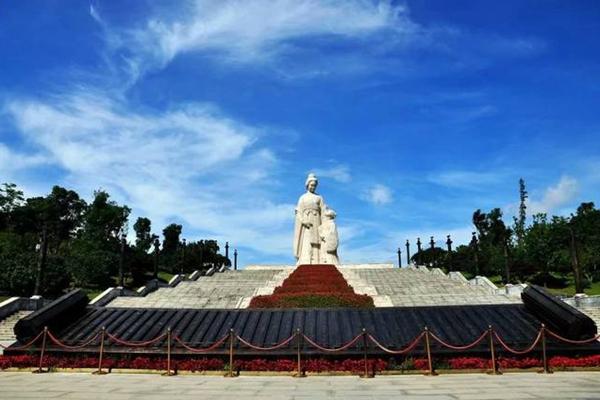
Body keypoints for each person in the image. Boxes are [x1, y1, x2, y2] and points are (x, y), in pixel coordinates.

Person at [293, 173, 325, 264]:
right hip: (306, 223)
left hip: (317, 221)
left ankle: (318, 260)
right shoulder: (302, 197)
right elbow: (298, 212)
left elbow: (323, 212)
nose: (313, 187)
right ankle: (305, 261)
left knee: (317, 242)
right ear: (307, 185)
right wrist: (304, 221)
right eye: (311, 185)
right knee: (307, 241)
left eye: (314, 186)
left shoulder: (319, 198)